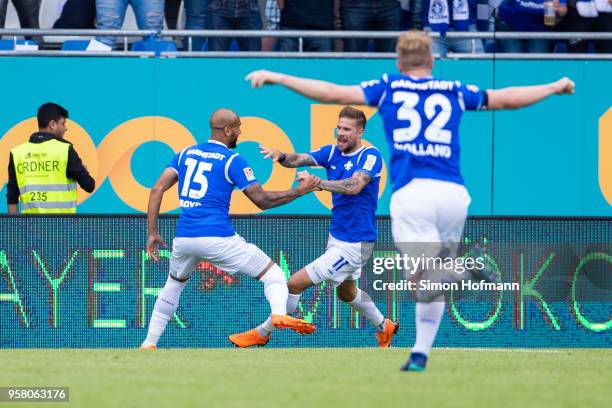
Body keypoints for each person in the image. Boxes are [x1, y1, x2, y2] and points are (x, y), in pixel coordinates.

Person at [244, 30, 575, 371]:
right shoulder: (452, 90)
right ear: (432, 60)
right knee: (361, 290)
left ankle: (271, 328)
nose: (341, 133)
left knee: (418, 281)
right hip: (451, 194)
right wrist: (552, 86)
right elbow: (507, 98)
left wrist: (278, 75)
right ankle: (415, 340)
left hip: (409, 198)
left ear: (399, 62)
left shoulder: (389, 90)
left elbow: (329, 92)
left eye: (347, 129)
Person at [141, 108, 321, 349]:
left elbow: (156, 189)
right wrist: (301, 190)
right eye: (237, 127)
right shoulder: (232, 160)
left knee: (173, 284)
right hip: (217, 237)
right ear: (227, 130)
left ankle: (148, 344)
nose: (239, 131)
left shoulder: (184, 154)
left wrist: (152, 232)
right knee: (274, 275)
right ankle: (279, 313)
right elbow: (262, 200)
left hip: (184, 238)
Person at [228, 106, 399, 348]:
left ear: (360, 131)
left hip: (355, 244)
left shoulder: (370, 156)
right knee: (346, 294)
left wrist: (318, 184)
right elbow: (300, 159)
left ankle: (263, 333)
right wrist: (281, 156)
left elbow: (354, 186)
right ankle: (385, 326)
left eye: (347, 129)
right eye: (338, 128)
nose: (340, 133)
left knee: (294, 283)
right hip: (338, 238)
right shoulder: (331, 152)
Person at [6, 103, 95, 214]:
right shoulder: (65, 150)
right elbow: (89, 185)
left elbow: (12, 197)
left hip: (31, 229)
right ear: (52, 124)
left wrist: (15, 229)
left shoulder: (17, 153)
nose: (65, 129)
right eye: (63, 123)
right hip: (62, 228)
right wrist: (82, 170)